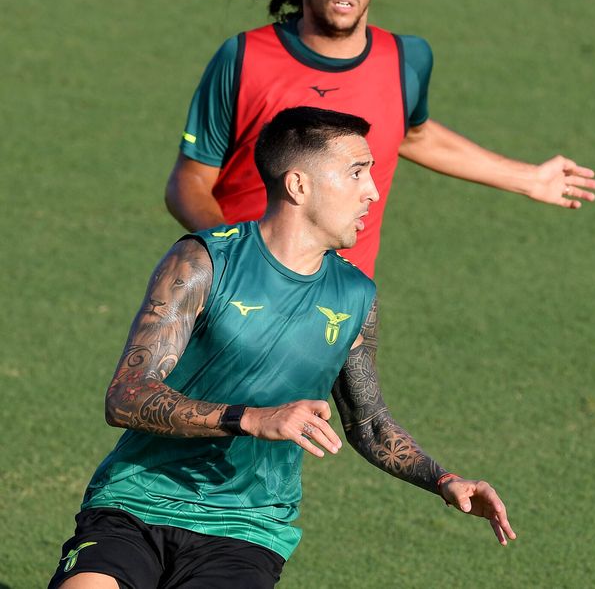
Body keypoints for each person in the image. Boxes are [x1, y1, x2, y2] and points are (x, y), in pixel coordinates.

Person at [49, 107, 515, 589]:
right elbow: (126, 395)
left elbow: (369, 423)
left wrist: (444, 481)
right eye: (357, 173)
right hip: (136, 502)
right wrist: (250, 418)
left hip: (246, 529)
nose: (373, 192)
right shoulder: (204, 261)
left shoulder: (355, 296)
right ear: (298, 185)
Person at [166, 0, 595, 278]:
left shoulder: (406, 60)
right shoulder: (244, 59)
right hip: (239, 298)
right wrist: (239, 258)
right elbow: (189, 183)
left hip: (342, 312)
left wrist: (528, 178)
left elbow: (411, 134)